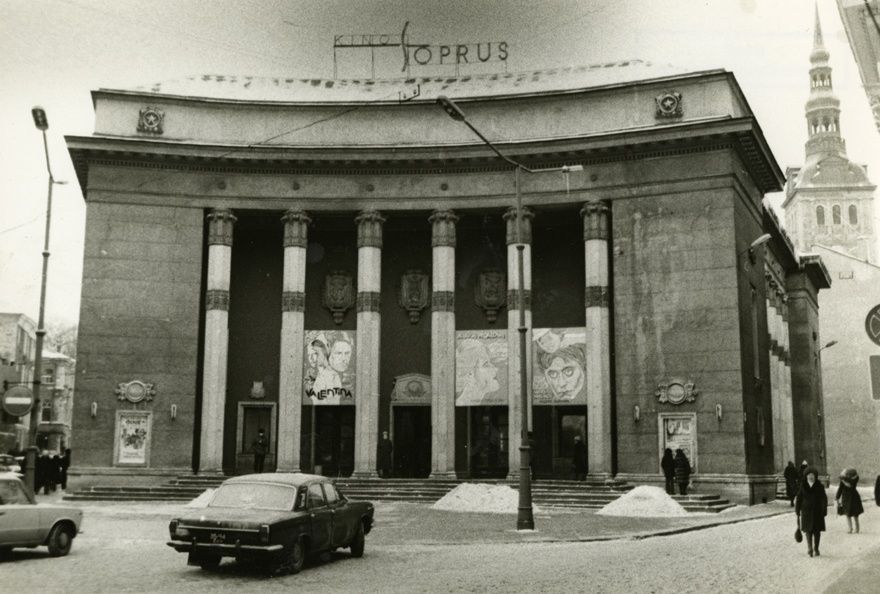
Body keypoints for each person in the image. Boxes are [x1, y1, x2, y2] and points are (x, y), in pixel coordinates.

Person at [796, 466, 828, 557]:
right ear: (806, 476)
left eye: (812, 475)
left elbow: (823, 498)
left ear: (815, 476)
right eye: (809, 475)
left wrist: (823, 509)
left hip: (817, 511)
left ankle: (816, 548)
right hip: (806, 512)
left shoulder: (820, 486)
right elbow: (799, 499)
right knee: (808, 530)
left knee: (817, 531)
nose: (811, 477)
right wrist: (797, 510)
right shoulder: (802, 486)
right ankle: (810, 548)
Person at [836, 469, 864, 534]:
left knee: (855, 513)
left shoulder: (855, 478)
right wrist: (837, 497)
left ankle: (857, 528)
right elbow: (840, 488)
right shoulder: (843, 479)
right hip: (846, 497)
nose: (848, 475)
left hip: (854, 497)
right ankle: (850, 528)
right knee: (847, 512)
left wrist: (843, 480)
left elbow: (850, 485)